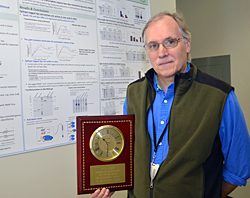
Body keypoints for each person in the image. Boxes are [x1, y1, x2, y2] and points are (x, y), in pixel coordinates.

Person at [91, 11, 250, 198]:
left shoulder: (220, 95)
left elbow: (238, 169)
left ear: (187, 44)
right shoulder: (133, 93)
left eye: (170, 42)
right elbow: (129, 153)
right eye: (153, 45)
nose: (162, 53)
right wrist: (112, 183)